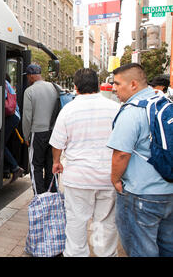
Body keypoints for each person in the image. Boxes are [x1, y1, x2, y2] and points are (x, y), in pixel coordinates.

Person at [50, 68, 120, 257]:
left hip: (78, 178)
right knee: (104, 222)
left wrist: (56, 161)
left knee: (76, 221)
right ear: (98, 85)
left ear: (75, 87)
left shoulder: (68, 110)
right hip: (108, 176)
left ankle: (76, 254)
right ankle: (103, 253)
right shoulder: (115, 108)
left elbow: (57, 143)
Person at [107, 63, 173, 257]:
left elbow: (121, 154)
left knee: (141, 249)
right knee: (167, 246)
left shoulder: (133, 111)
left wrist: (115, 179)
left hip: (142, 194)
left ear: (133, 84)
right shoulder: (164, 103)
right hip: (168, 191)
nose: (114, 88)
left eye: (118, 84)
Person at [22, 63, 58, 194]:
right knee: (51, 165)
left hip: (37, 133)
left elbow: (27, 117)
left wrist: (26, 136)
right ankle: (52, 194)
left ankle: (40, 197)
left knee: (35, 166)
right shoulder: (54, 87)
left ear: (31, 76)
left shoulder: (29, 91)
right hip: (54, 133)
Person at [4, 73, 25, 183]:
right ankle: (6, 169)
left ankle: (15, 168)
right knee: (6, 143)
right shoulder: (8, 84)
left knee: (0, 144)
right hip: (14, 117)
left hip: (11, 117)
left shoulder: (3, 83)